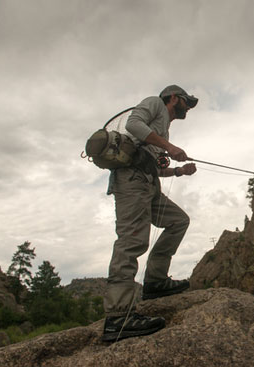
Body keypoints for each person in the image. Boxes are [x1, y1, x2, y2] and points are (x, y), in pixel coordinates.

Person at [102, 85, 198, 342]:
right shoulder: (155, 104)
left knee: (178, 221)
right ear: (174, 98)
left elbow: (154, 167)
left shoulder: (163, 127)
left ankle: (155, 283)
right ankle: (117, 318)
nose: (188, 107)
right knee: (132, 241)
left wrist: (179, 171)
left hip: (147, 182)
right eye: (187, 102)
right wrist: (170, 146)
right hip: (131, 181)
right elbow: (134, 124)